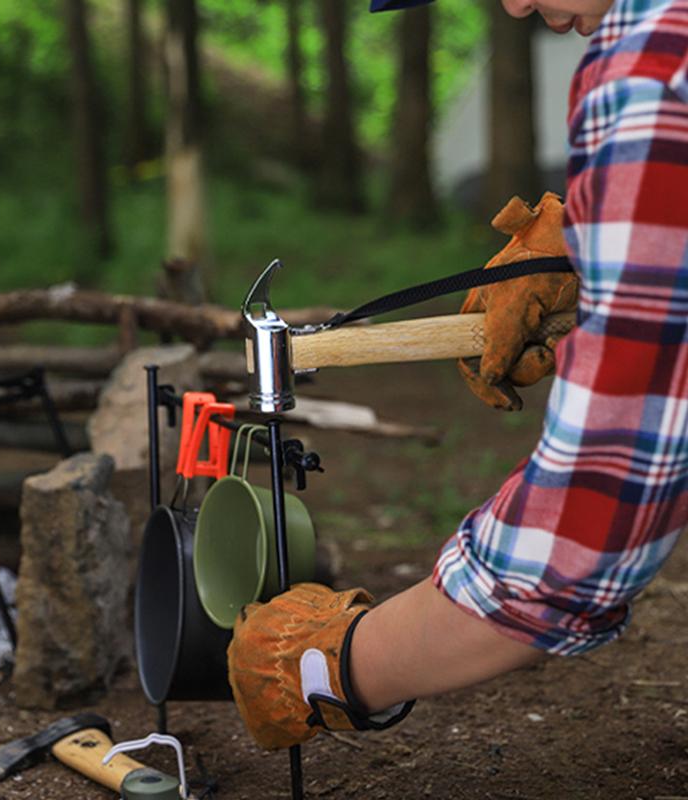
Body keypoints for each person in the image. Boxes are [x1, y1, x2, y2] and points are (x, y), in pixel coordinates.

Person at [228, 0, 688, 751]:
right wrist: (591, 242)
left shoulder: (652, 66)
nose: (515, 6)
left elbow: (596, 508)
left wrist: (335, 663)